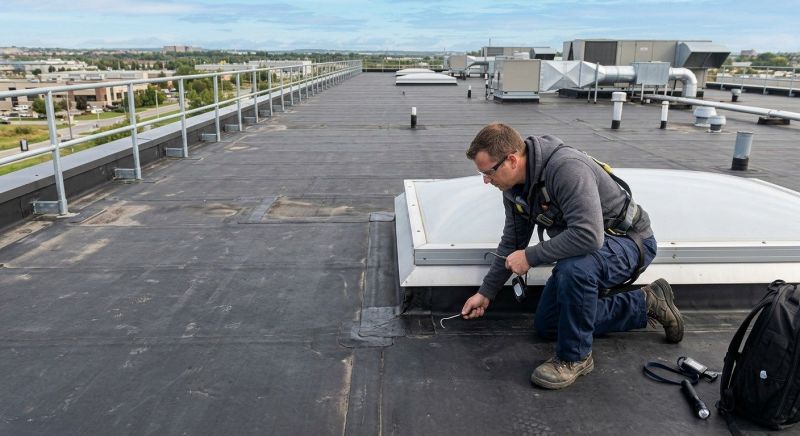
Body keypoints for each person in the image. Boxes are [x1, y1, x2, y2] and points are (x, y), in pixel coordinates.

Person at [461, 122, 684, 390]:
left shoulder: (566, 168)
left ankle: (574, 357)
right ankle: (645, 303)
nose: (486, 180)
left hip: (630, 242)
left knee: (574, 268)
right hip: (591, 249)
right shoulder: (513, 190)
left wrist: (530, 257)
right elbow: (512, 242)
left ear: (511, 159)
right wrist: (485, 293)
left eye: (488, 172)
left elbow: (589, 235)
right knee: (549, 325)